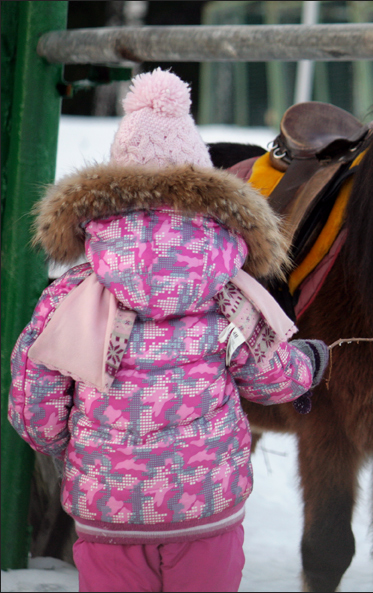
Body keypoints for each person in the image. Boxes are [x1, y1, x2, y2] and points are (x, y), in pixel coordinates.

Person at [7, 69, 328, 592]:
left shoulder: (73, 293)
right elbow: (273, 379)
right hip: (204, 510)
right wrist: (311, 361)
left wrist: (82, 444)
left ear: (106, 194)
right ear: (205, 191)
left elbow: (34, 406)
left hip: (107, 509)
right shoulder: (228, 291)